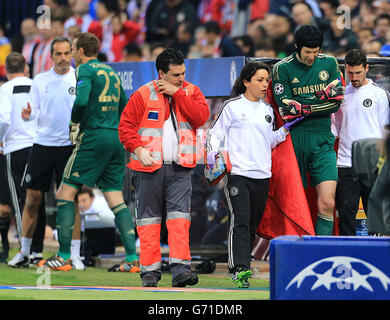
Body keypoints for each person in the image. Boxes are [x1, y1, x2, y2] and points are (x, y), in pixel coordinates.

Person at [42, 32, 139, 273]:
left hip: (94, 136)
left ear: (81, 51)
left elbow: (82, 101)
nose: (72, 54)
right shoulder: (112, 73)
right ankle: (132, 258)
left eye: (73, 49)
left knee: (64, 192)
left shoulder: (85, 70)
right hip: (115, 138)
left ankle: (64, 256)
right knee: (115, 197)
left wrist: (74, 123)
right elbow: (125, 106)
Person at [118, 48, 209, 287]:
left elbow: (200, 117)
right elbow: (125, 128)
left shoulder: (190, 91)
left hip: (181, 168)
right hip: (148, 168)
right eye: (176, 74)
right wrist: (138, 149)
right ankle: (150, 272)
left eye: (183, 73)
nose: (181, 78)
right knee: (149, 221)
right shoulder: (142, 94)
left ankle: (180, 270)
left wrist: (178, 93)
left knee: (180, 220)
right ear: (161, 73)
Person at [205, 61, 300, 288]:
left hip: (262, 175)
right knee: (240, 220)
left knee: (252, 225)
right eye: (259, 80)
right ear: (246, 82)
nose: (265, 84)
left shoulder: (268, 110)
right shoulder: (232, 106)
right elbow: (215, 134)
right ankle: (239, 269)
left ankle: (243, 266)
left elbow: (269, 140)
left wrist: (285, 129)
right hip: (237, 173)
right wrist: (211, 153)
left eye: (267, 80)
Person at [7, 37, 76, 268]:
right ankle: (25, 252)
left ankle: (74, 255)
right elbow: (33, 111)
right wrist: (28, 115)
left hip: (68, 146)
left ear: (72, 53)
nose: (63, 58)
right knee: (32, 199)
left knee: (70, 200)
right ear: (52, 56)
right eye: (59, 54)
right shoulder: (40, 80)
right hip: (42, 145)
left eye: (67, 53)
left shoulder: (78, 77)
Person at [271, 25, 345, 236]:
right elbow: (286, 111)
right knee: (294, 206)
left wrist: (303, 106)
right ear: (296, 48)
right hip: (294, 141)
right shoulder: (282, 68)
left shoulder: (329, 63)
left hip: (323, 141)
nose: (312, 56)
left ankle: (323, 251)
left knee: (327, 203)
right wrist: (322, 96)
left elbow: (336, 104)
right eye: (307, 52)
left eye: (316, 51)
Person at [332, 49, 390, 235]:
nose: (354, 77)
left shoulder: (379, 94)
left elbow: (385, 130)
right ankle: (347, 255)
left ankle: (377, 254)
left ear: (367, 68)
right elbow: (336, 129)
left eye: (358, 72)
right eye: (350, 73)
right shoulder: (340, 97)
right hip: (345, 162)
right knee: (346, 214)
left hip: (372, 163)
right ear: (345, 70)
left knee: (376, 214)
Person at [0, 52, 47, 266]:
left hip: (16, 147)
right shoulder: (38, 85)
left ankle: (24, 250)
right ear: (26, 68)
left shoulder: (5, 89)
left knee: (20, 201)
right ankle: (37, 250)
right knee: (39, 199)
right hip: (39, 146)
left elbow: (3, 120)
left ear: (6, 70)